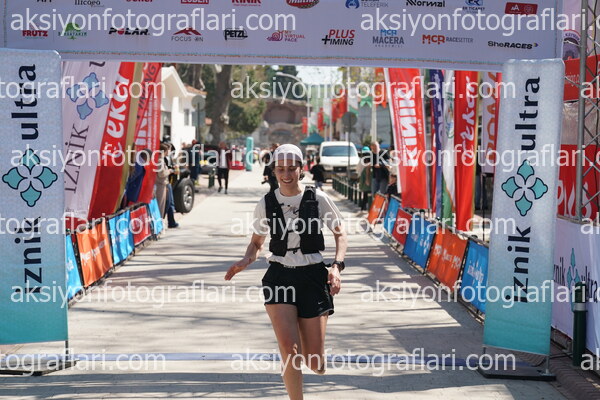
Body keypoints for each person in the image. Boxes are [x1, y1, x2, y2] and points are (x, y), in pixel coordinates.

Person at [225, 144, 347, 399]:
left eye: (291, 168)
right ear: (273, 171)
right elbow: (256, 243)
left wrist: (336, 266)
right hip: (279, 277)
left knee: (315, 363)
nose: (286, 174)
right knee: (290, 353)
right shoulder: (266, 203)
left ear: (301, 169)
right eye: (280, 169)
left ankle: (311, 346)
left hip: (313, 277)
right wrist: (246, 259)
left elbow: (340, 233)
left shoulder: (318, 198)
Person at [155, 143, 172, 218]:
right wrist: (169, 171)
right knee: (160, 204)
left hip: (161, 184)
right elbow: (161, 174)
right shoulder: (160, 160)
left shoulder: (160, 160)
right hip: (160, 185)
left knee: (163, 204)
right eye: (169, 150)